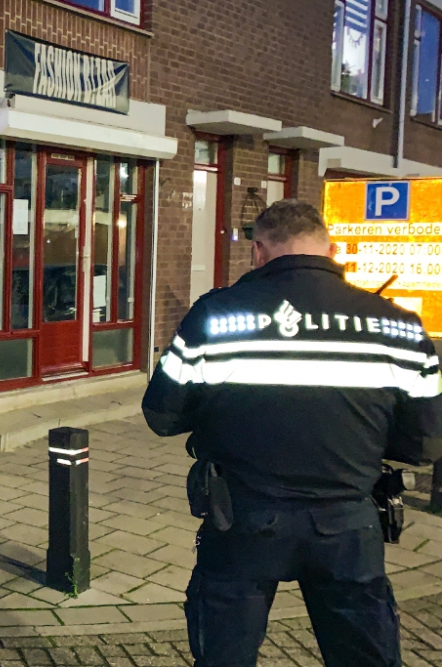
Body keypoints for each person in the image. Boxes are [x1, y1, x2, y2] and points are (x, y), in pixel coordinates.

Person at [142, 199, 442, 667]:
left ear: (259, 250)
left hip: (242, 519)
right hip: (349, 525)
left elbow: (162, 416)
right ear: (332, 249)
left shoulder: (215, 317)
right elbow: (426, 443)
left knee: (224, 657)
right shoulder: (398, 326)